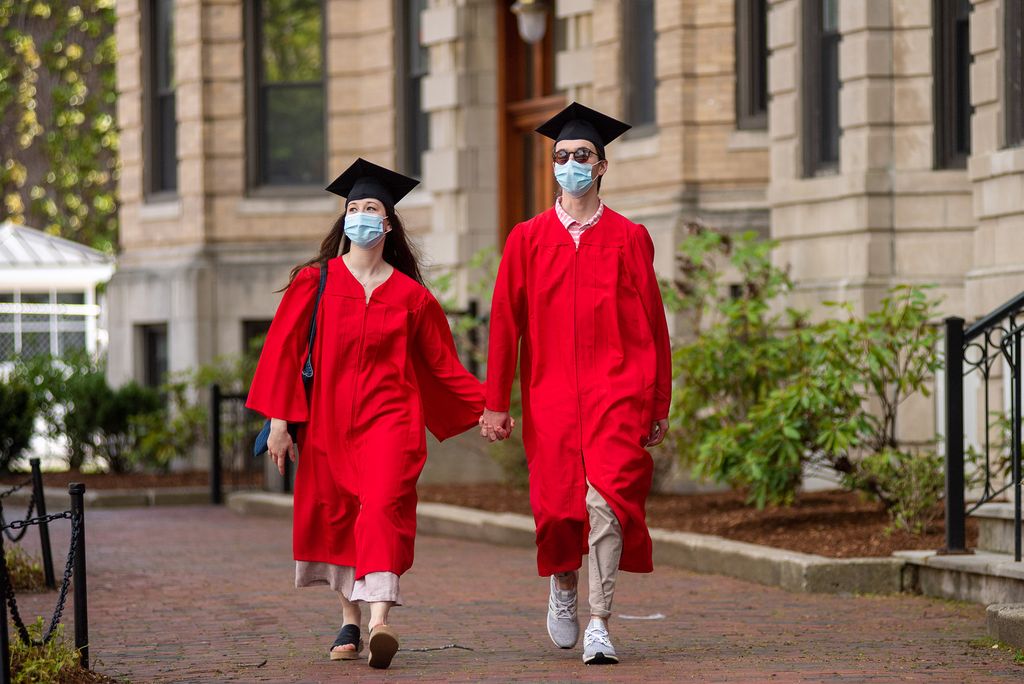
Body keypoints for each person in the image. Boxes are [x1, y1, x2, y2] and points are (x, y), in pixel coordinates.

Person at [247, 158, 485, 670]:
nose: (360, 216)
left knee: (381, 507)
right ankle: (349, 620)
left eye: (370, 208)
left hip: (391, 422)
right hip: (329, 422)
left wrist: (489, 406)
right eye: (353, 208)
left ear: (388, 223)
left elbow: (443, 367)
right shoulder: (315, 282)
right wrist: (281, 426)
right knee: (339, 516)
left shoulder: (412, 298)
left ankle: (380, 622)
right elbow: (282, 353)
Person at [479, 102, 672, 665]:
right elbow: (504, 324)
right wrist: (495, 403)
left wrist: (658, 399)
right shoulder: (527, 239)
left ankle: (599, 623)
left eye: (580, 156)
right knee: (560, 509)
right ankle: (564, 587)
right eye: (560, 157)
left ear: (601, 166)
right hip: (552, 395)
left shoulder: (629, 237)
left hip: (617, 390)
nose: (570, 165)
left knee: (608, 502)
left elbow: (654, 326)